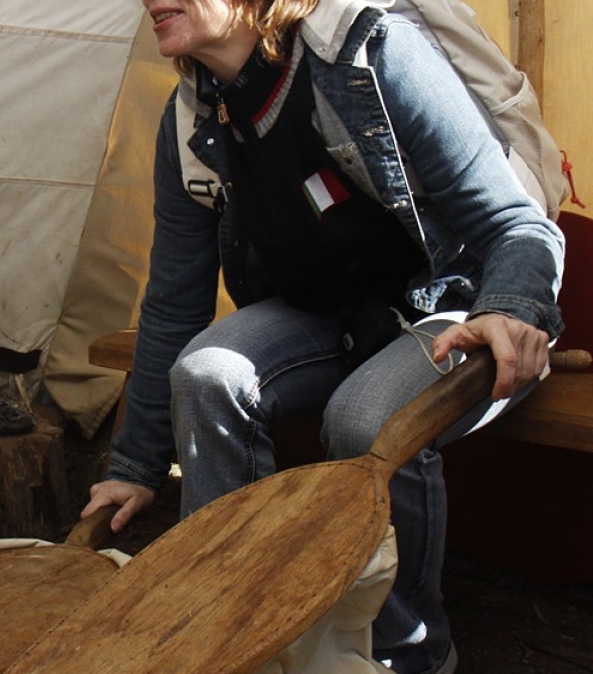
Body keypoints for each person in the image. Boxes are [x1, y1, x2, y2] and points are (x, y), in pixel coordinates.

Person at [80, 1, 565, 673]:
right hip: (324, 313)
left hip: (461, 306)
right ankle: (230, 631)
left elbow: (515, 224)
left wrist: (511, 306)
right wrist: (134, 468)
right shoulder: (191, 119)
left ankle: (407, 654)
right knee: (207, 375)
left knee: (366, 419)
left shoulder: (374, 54)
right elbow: (172, 301)